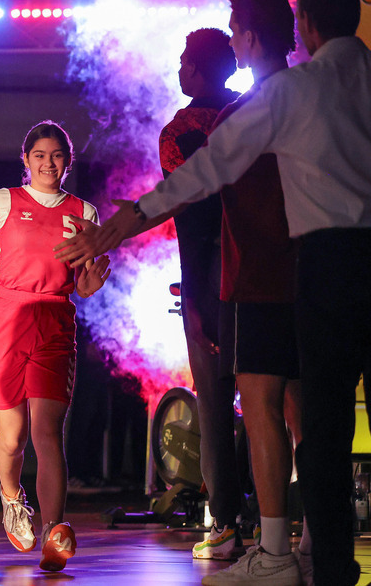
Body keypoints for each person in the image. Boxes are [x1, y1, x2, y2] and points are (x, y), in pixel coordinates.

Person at [55, 0, 371, 586]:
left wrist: (121, 225)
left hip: (319, 265)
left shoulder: (289, 93)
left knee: (323, 428)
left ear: (304, 26)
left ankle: (312, 561)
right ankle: (304, 553)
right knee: (312, 413)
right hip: (334, 262)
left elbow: (206, 174)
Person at [0, 121, 109, 572]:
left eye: (56, 155)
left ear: (67, 162)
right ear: (26, 160)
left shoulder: (85, 212)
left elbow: (86, 281)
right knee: (12, 439)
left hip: (55, 319)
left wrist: (90, 284)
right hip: (7, 319)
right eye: (39, 155)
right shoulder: (3, 201)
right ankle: (12, 498)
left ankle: (55, 531)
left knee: (47, 434)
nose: (48, 163)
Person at [200, 0, 308, 586]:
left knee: (263, 410)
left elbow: (197, 186)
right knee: (307, 410)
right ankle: (315, 535)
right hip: (314, 273)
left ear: (255, 38)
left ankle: (274, 553)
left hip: (260, 278)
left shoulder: (243, 114)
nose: (233, 39)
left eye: (236, 30)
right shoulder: (318, 100)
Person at [160, 28, 244, 562]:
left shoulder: (181, 129)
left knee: (214, 403)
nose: (179, 69)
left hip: (211, 279)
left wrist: (193, 301)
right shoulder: (254, 114)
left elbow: (189, 213)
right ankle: (286, 520)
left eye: (186, 60)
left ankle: (225, 521)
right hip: (263, 274)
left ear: (203, 68)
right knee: (275, 400)